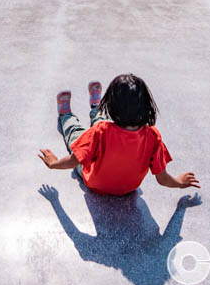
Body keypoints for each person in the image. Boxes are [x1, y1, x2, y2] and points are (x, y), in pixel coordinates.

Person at [38, 74, 199, 196]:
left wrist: (54, 164)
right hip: (128, 189)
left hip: (94, 183)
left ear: (113, 106)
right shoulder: (153, 136)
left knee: (76, 133)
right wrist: (179, 182)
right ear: (146, 105)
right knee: (101, 125)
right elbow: (162, 178)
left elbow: (74, 160)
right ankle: (96, 107)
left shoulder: (101, 131)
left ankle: (66, 115)